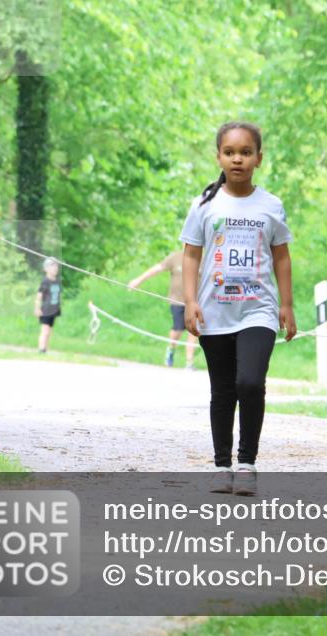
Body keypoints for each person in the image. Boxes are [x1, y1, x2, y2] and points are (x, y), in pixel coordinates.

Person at [180, 121, 296, 496]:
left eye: (246, 152)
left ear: (259, 159)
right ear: (218, 157)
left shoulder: (271, 205)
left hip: (258, 310)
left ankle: (247, 462)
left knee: (250, 382)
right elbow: (191, 255)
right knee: (223, 390)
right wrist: (190, 301)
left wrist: (287, 304)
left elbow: (281, 257)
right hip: (215, 311)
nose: (238, 159)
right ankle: (221, 465)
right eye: (230, 152)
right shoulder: (204, 204)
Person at [128, 251, 199, 369]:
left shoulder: (202, 258)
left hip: (195, 302)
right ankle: (171, 349)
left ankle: (189, 362)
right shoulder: (175, 257)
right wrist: (138, 281)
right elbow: (157, 268)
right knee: (178, 328)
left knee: (193, 329)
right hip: (177, 300)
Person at [34, 257, 62, 354]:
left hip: (53, 310)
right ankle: (41, 349)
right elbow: (39, 296)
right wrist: (37, 308)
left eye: (56, 266)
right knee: (45, 330)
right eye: (52, 266)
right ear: (46, 269)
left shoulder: (57, 281)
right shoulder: (45, 281)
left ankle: (45, 348)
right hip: (46, 310)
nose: (55, 268)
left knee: (49, 331)